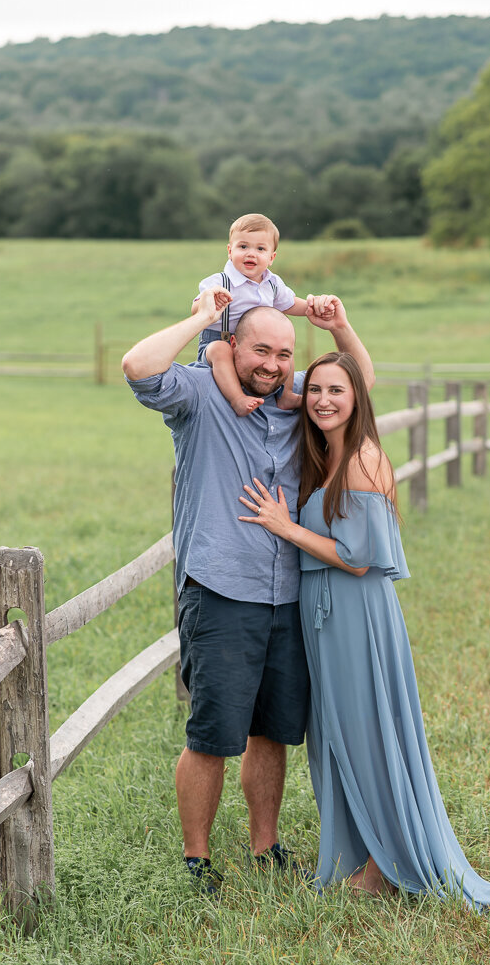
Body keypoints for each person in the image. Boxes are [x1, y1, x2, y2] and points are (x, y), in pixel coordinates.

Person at [121, 287, 375, 895]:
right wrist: (203, 318)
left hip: (289, 593)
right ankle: (196, 860)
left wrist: (340, 328)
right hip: (220, 590)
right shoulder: (198, 395)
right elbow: (136, 366)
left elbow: (356, 386)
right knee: (212, 733)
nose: (272, 364)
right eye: (260, 350)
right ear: (231, 347)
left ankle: (266, 847)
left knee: (273, 729)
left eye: (284, 354)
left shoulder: (294, 407)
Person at [238, 346, 490, 911]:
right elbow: (279, 389)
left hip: (357, 615)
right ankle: (361, 852)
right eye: (315, 390)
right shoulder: (324, 456)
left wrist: (286, 528)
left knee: (366, 735)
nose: (322, 400)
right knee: (334, 736)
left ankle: (389, 863)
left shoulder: (362, 459)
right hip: (323, 614)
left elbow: (358, 558)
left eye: (337, 390)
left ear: (358, 396)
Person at [193, 212, 315, 416]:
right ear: (230, 251)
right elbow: (196, 309)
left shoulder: (272, 283)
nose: (251, 253)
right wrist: (210, 303)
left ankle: (286, 397)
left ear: (271, 257)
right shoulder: (220, 281)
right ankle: (237, 399)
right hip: (220, 341)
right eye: (243, 247)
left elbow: (290, 304)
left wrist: (311, 308)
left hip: (259, 347)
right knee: (219, 350)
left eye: (260, 249)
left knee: (283, 348)